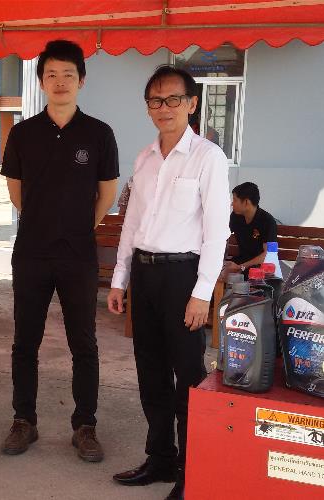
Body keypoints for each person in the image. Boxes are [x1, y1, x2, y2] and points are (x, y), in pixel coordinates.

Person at [107, 65, 230, 500]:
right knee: (151, 373)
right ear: (148, 108)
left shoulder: (208, 158)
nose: (164, 108)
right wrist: (120, 279)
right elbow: (131, 225)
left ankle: (190, 470)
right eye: (155, 101)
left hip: (183, 276)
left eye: (173, 99)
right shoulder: (144, 159)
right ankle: (159, 458)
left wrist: (202, 294)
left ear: (192, 104)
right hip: (145, 274)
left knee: (189, 376)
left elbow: (216, 232)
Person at [0, 40, 119, 462]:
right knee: (24, 342)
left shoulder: (99, 133)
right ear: (41, 82)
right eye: (51, 74)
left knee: (83, 342)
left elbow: (108, 192)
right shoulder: (23, 133)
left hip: (78, 254)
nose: (60, 81)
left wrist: (80, 226)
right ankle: (23, 420)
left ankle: (85, 426)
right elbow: (16, 191)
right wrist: (44, 221)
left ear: (81, 80)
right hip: (31, 252)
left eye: (69, 74)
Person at [223, 182, 277, 276]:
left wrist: (241, 267)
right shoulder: (235, 216)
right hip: (240, 261)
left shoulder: (268, 221)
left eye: (235, 200)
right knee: (219, 273)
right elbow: (223, 237)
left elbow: (270, 254)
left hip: (260, 268)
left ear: (246, 202)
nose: (232, 204)